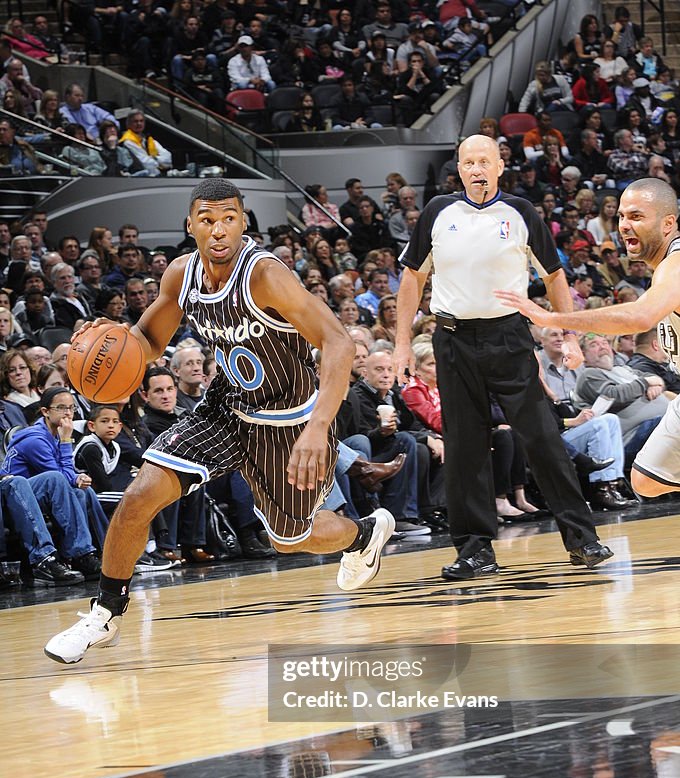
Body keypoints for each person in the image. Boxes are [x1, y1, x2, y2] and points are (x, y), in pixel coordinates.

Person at [44, 180, 396, 664]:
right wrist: (104, 342)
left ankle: (364, 533)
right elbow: (146, 341)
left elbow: (337, 341)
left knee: (289, 540)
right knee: (138, 496)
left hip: (288, 421)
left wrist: (318, 428)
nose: (218, 230)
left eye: (228, 218)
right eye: (206, 220)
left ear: (243, 221)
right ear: (190, 226)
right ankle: (104, 614)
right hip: (226, 406)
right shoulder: (180, 275)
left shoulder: (265, 276)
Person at [394, 134, 612, 580]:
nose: (476, 169)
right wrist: (401, 342)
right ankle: (475, 549)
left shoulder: (521, 212)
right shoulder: (438, 212)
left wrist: (565, 333)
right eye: (468, 162)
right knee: (465, 448)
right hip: (452, 340)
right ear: (458, 168)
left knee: (543, 438)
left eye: (484, 162)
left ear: (499, 166)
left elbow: (554, 277)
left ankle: (583, 538)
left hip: (509, 337)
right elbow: (413, 279)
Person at [494, 177, 680, 499]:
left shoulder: (675, 264)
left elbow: (639, 317)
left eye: (636, 216)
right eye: (621, 216)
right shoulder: (664, 267)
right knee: (646, 480)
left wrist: (553, 318)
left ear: (667, 224)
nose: (624, 225)